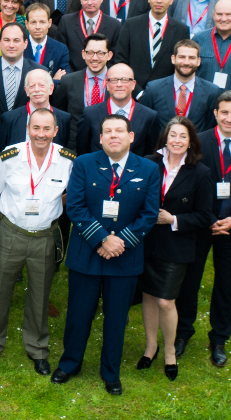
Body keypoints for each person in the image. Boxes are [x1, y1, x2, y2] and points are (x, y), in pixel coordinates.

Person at [53, 115, 161, 395]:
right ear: (100, 138)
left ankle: (110, 372)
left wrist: (119, 242)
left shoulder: (149, 169)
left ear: (131, 137)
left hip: (125, 256)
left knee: (116, 318)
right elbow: (75, 206)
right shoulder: (84, 163)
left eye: (119, 131)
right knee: (78, 314)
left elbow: (149, 214)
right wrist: (102, 238)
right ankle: (69, 364)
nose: (114, 135)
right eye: (108, 131)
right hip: (87, 253)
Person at [0, 108, 74, 373]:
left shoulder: (67, 160)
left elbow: (71, 194)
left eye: (47, 129)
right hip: (12, 233)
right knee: (0, 291)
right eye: (36, 128)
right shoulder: (10, 156)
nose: (41, 134)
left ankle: (38, 348)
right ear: (28, 129)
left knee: (40, 295)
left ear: (55, 131)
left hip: (45, 236)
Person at [177, 91, 231, 367]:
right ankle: (182, 333)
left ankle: (219, 338)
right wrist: (209, 218)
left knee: (225, 285)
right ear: (215, 113)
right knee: (190, 282)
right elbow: (190, 183)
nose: (229, 118)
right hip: (202, 225)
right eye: (224, 112)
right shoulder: (200, 141)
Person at [137, 118, 215, 382]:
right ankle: (151, 347)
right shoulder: (149, 163)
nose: (177, 140)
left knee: (165, 301)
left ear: (190, 141)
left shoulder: (201, 172)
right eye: (173, 135)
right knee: (148, 297)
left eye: (183, 136)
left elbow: (204, 216)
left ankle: (170, 351)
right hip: (146, 241)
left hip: (176, 245)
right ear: (165, 138)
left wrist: (173, 220)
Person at [117, 0, 188, 97]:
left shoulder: (181, 31)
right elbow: (121, 60)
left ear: (171, 0)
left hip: (165, 95)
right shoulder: (131, 25)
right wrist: (137, 92)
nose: (159, 0)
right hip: (133, 93)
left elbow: (181, 65)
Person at [77, 63, 160, 157]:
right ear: (107, 85)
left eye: (124, 80)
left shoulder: (149, 116)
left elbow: (150, 154)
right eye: (114, 80)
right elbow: (82, 152)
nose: (119, 84)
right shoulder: (90, 114)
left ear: (133, 84)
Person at [138, 39, 221, 133]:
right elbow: (144, 124)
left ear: (198, 61)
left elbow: (211, 128)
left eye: (191, 58)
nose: (186, 62)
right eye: (182, 57)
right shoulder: (153, 89)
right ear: (173, 59)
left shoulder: (212, 92)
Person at [49, 33, 114, 147]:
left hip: (109, 145)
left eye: (100, 53)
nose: (95, 58)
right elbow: (58, 115)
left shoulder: (118, 82)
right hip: (75, 146)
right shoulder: (68, 81)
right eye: (90, 53)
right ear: (83, 54)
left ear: (109, 55)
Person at [0, 68, 71, 154]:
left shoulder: (64, 119)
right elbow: (0, 152)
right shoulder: (9, 119)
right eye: (32, 86)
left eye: (42, 85)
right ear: (26, 90)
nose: (37, 89)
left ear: (51, 88)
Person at [53, 0, 122, 71]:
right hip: (73, 75)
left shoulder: (114, 25)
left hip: (104, 76)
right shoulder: (66, 21)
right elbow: (61, 53)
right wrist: (72, 76)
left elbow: (115, 57)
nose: (89, 2)